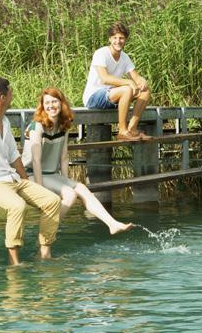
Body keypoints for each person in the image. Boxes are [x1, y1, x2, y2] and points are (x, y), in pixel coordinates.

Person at [0, 78, 61, 266]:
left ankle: (45, 252)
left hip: (12, 178)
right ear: (3, 97)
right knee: (17, 206)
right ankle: (15, 263)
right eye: (10, 92)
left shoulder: (4, 121)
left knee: (52, 201)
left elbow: (14, 156)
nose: (12, 95)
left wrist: (25, 180)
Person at [22, 87, 134, 235]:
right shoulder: (37, 126)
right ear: (42, 106)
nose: (51, 106)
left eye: (54, 101)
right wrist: (41, 190)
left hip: (50, 174)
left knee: (81, 188)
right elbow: (36, 160)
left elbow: (64, 157)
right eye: (47, 102)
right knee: (69, 194)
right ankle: (46, 231)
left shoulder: (64, 125)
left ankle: (112, 224)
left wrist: (65, 180)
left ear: (61, 103)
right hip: (32, 174)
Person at [82, 22, 151, 141]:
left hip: (113, 95)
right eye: (115, 38)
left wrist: (141, 80)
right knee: (127, 89)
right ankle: (122, 132)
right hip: (93, 97)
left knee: (145, 92)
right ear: (110, 39)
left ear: (125, 40)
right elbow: (105, 78)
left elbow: (135, 76)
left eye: (121, 38)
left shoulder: (124, 57)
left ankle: (132, 129)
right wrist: (128, 82)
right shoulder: (101, 53)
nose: (118, 41)